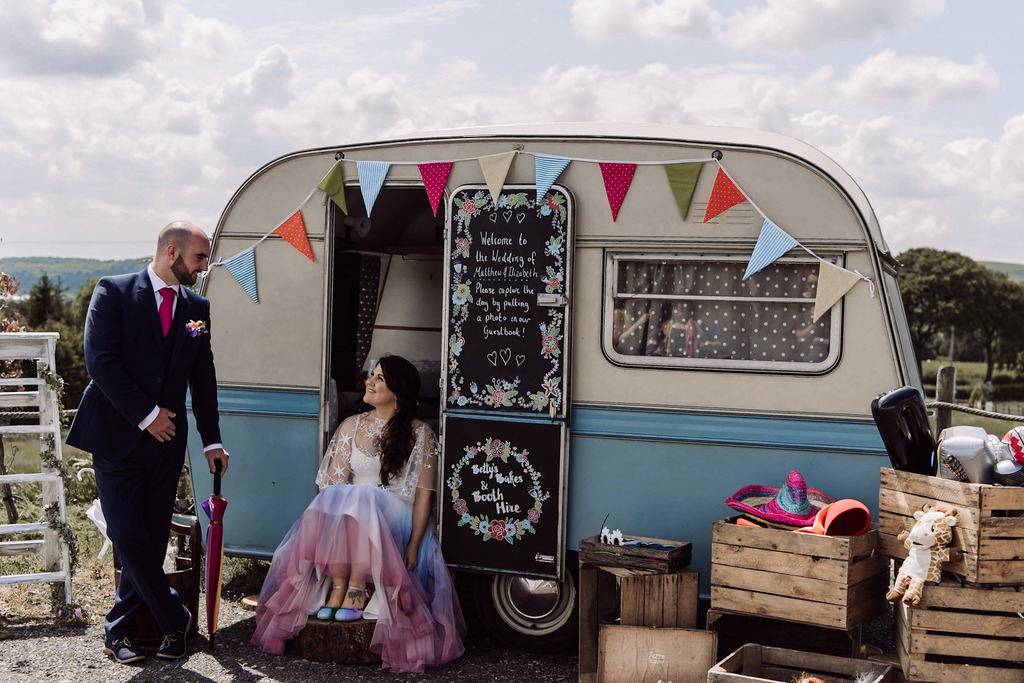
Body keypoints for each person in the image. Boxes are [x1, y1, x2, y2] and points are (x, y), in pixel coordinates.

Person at [66, 221, 229, 665]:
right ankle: (175, 617)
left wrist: (212, 440)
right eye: (199, 257)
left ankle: (122, 631)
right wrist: (148, 415)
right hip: (115, 437)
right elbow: (101, 362)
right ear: (172, 252)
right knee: (127, 534)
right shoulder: (113, 292)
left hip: (167, 443)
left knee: (152, 540)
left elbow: (203, 377)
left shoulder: (197, 308)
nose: (204, 266)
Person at [251, 355, 465, 673]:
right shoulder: (350, 426)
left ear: (398, 390)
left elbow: (424, 497)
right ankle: (340, 584)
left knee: (362, 497)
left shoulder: (421, 434)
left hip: (397, 517)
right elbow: (330, 487)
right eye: (371, 375)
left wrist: (413, 544)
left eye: (379, 378)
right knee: (342, 495)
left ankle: (357, 588)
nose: (369, 382)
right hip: (355, 520)